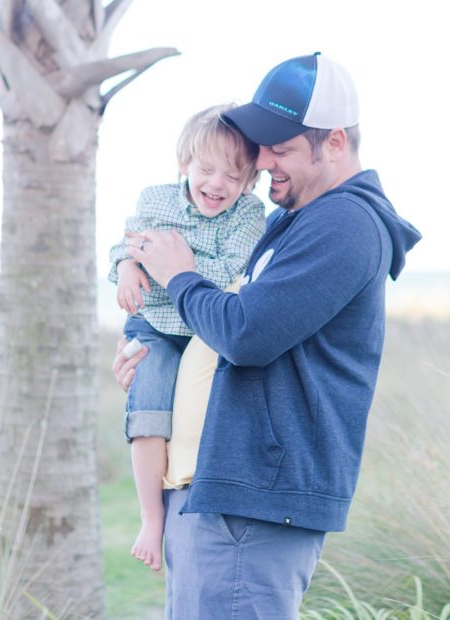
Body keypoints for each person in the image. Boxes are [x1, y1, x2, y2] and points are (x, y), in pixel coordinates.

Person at [114, 52, 422, 618]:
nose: (262, 162)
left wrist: (177, 275)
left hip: (253, 502)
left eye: (280, 149)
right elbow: (219, 318)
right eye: (262, 148)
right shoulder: (292, 219)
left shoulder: (343, 224)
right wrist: (154, 352)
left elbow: (248, 333)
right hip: (214, 491)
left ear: (333, 142)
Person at [107, 104, 266, 571]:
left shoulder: (248, 217)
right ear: (184, 165)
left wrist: (176, 265)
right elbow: (125, 244)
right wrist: (127, 268)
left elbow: (230, 273)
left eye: (233, 176)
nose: (217, 185)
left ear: (250, 182)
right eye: (206, 169)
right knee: (149, 405)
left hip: (204, 329)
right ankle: (151, 518)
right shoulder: (155, 200)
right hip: (154, 325)